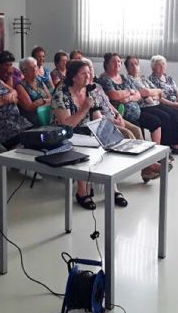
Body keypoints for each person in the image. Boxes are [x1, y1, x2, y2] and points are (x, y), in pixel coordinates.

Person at [52, 61, 128, 208]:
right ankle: (82, 191)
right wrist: (84, 108)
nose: (88, 76)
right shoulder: (61, 93)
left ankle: (112, 188)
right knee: (84, 148)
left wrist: (105, 132)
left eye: (89, 72)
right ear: (73, 77)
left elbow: (97, 116)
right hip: (66, 133)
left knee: (109, 143)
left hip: (86, 129)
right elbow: (66, 124)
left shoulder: (89, 90)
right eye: (83, 73)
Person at [83, 59, 164, 182]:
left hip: (113, 116)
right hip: (101, 122)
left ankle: (147, 167)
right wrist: (114, 120)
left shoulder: (97, 86)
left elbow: (107, 103)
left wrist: (117, 114)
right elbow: (95, 114)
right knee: (128, 134)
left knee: (136, 129)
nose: (90, 74)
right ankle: (148, 166)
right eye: (86, 72)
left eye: (91, 70)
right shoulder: (86, 91)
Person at [125, 55, 178, 155]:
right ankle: (164, 148)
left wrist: (154, 92)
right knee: (165, 117)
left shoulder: (143, 78)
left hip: (155, 103)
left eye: (136, 64)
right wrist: (153, 93)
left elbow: (160, 92)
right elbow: (145, 93)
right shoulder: (128, 80)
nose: (134, 66)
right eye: (131, 64)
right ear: (127, 68)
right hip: (144, 107)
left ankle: (175, 144)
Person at [97, 53, 163, 149]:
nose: (117, 64)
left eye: (119, 61)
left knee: (155, 121)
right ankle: (142, 155)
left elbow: (138, 94)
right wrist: (129, 91)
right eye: (113, 61)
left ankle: (156, 152)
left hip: (137, 112)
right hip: (122, 115)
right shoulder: (104, 79)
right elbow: (114, 95)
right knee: (136, 128)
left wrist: (127, 98)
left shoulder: (124, 78)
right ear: (106, 64)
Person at [16, 57, 52, 125]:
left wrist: (42, 101)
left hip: (46, 113)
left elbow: (50, 99)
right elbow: (30, 107)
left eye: (35, 66)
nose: (35, 69)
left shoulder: (39, 81)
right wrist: (45, 101)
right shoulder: (20, 86)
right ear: (24, 72)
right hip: (32, 119)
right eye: (31, 68)